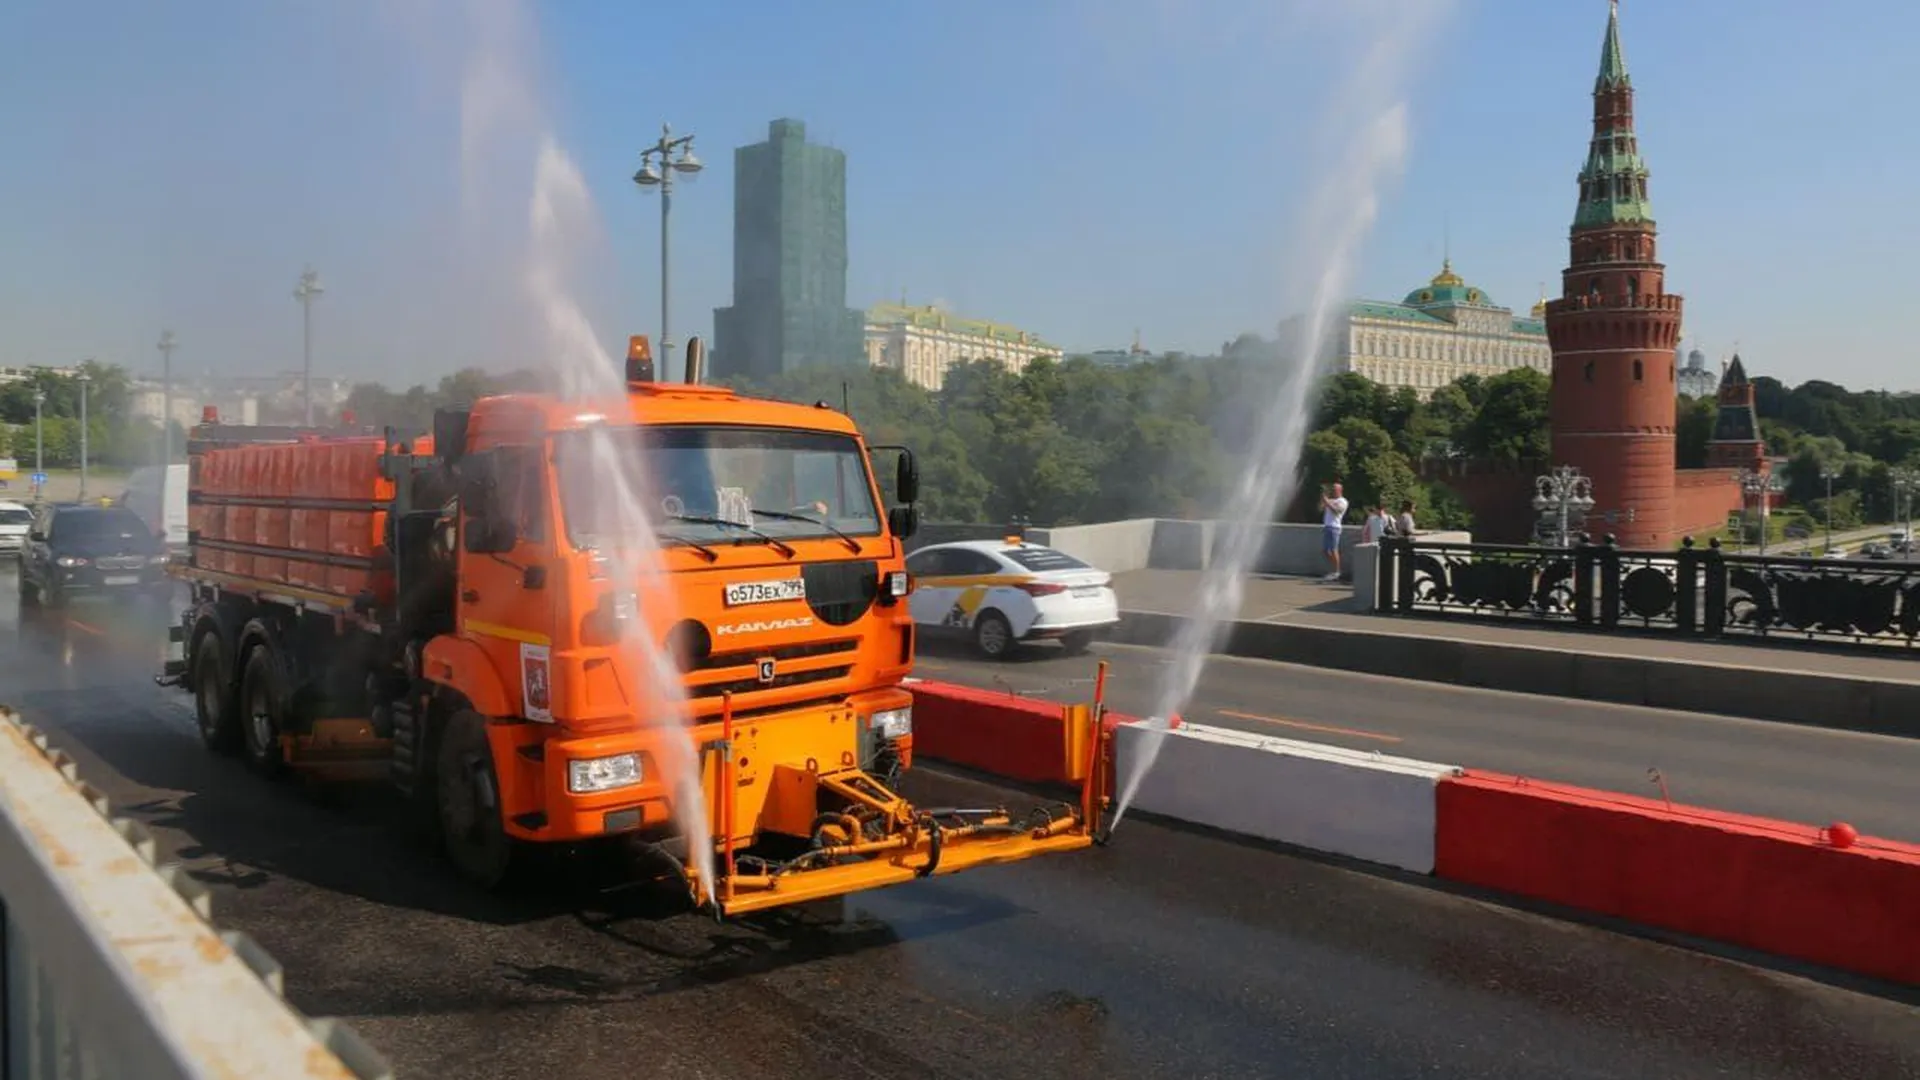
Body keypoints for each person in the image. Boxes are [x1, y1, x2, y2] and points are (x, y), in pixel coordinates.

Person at [1319, 482, 1349, 581]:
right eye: (1332, 489)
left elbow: (1337, 511)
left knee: (1333, 549)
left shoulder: (1343, 501)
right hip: (1327, 527)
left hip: (1335, 527)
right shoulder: (1331, 500)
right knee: (1325, 551)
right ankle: (1334, 570)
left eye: (1335, 489)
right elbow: (1320, 508)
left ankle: (1337, 571)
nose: (1333, 490)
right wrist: (1323, 498)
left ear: (1340, 490)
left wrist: (1327, 502)